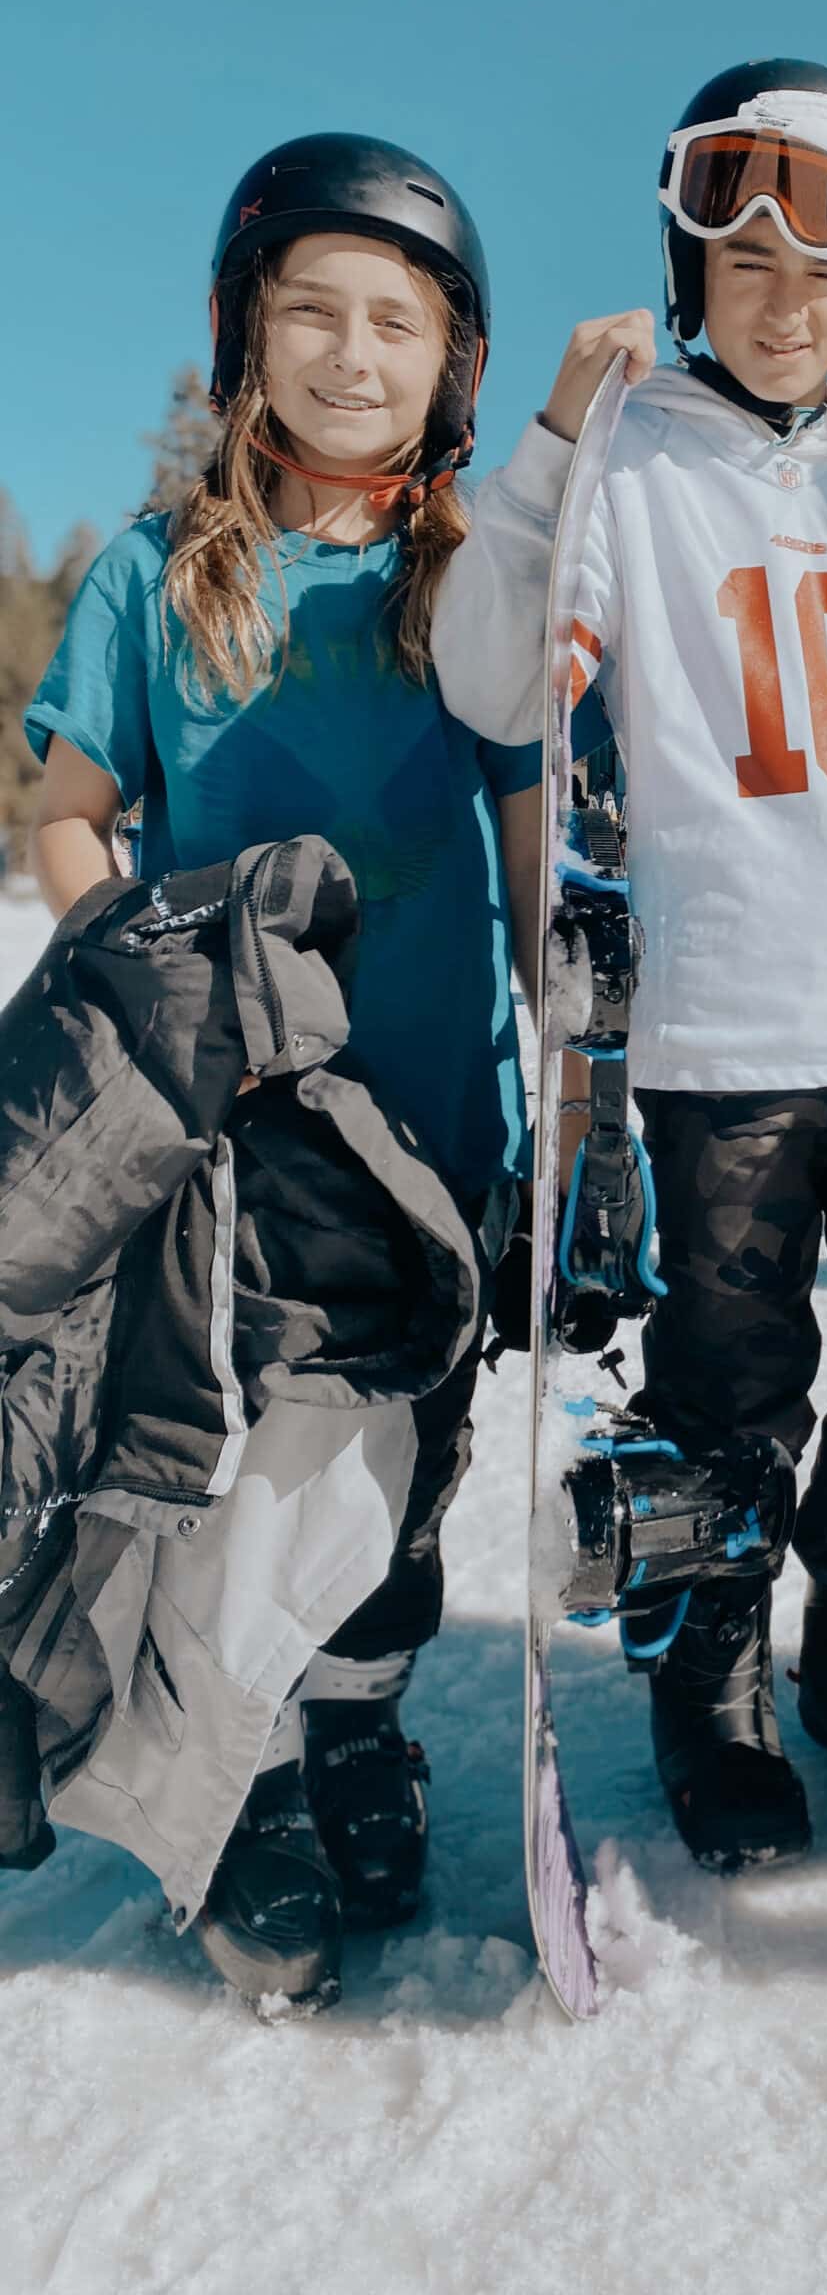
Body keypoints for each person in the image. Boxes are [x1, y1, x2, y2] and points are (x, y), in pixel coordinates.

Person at [429, 59, 827, 1875]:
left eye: (822, 270)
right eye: (744, 265)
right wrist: (554, 440)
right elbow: (493, 685)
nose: (782, 303)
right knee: (727, 1396)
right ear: (687, 267)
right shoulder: (627, 470)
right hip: (714, 1043)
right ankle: (711, 1684)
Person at [25, 134, 540, 2001]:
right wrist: (133, 964)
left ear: (448, 363)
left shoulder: (470, 571)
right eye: (311, 311)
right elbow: (70, 811)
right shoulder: (160, 572)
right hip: (232, 1132)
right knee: (231, 1473)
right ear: (247, 338)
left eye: (394, 321)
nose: (350, 349)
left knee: (404, 1473)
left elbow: (529, 814)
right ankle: (226, 1790)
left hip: (439, 1120)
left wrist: (578, 1035)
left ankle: (359, 1727)